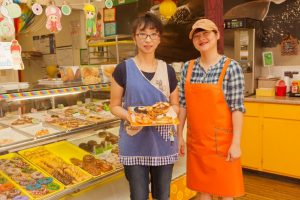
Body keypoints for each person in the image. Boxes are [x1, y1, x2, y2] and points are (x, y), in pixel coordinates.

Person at [110, 13, 179, 200]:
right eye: (142, 34)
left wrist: (167, 113)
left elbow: (176, 104)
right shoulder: (123, 69)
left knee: (162, 195)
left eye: (153, 34)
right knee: (138, 195)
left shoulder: (168, 70)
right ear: (134, 37)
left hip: (164, 142)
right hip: (134, 141)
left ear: (159, 38)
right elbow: (114, 106)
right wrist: (133, 117)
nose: (148, 39)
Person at [177, 19, 245, 200]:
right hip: (197, 143)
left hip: (223, 143)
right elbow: (182, 105)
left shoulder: (231, 67)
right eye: (197, 36)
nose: (201, 38)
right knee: (202, 191)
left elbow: (237, 108)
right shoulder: (187, 68)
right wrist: (179, 136)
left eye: (206, 33)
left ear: (217, 35)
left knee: (226, 192)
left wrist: (236, 143)